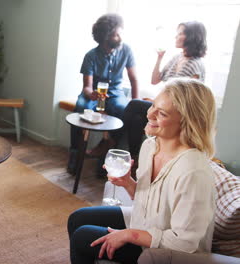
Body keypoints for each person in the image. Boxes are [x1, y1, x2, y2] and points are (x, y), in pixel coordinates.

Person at [67, 78, 216, 263]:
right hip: (147, 223)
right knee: (77, 218)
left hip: (171, 252)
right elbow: (148, 202)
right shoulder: (150, 146)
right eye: (153, 105)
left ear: (188, 122)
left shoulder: (193, 172)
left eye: (161, 113)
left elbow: (184, 243)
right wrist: (128, 184)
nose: (149, 114)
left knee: (83, 237)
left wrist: (130, 235)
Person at [123, 21, 207, 162]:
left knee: (134, 104)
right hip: (164, 107)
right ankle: (134, 158)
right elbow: (155, 80)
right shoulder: (177, 58)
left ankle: (111, 140)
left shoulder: (196, 65)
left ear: (191, 37)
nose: (176, 37)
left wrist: (157, 105)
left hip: (175, 112)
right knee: (137, 119)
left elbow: (187, 101)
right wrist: (159, 58)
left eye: (180, 33)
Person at [67, 13, 139, 174]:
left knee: (123, 109)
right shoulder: (91, 56)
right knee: (80, 108)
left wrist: (135, 102)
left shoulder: (126, 50)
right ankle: (74, 154)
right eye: (116, 34)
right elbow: (87, 87)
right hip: (93, 94)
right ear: (105, 37)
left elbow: (134, 79)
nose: (120, 37)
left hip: (115, 93)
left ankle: (107, 149)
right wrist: (92, 95)